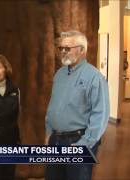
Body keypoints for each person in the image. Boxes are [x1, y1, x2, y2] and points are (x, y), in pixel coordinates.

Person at [45, 31, 110, 180]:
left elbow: (101, 115)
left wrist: (84, 144)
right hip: (55, 140)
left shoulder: (94, 77)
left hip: (78, 142)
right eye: (61, 48)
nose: (63, 51)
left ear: (82, 50)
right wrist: (48, 133)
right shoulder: (59, 74)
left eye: (68, 48)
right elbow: (52, 106)